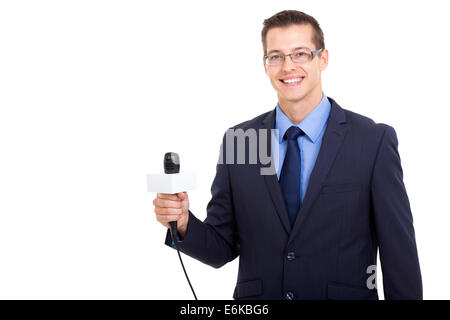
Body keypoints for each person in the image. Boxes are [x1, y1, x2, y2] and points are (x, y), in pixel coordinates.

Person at [152, 10, 422, 300]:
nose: (287, 66)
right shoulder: (242, 141)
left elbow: (399, 256)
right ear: (265, 65)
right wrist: (182, 223)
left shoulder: (371, 141)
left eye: (301, 54)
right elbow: (221, 248)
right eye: (276, 56)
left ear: (323, 58)